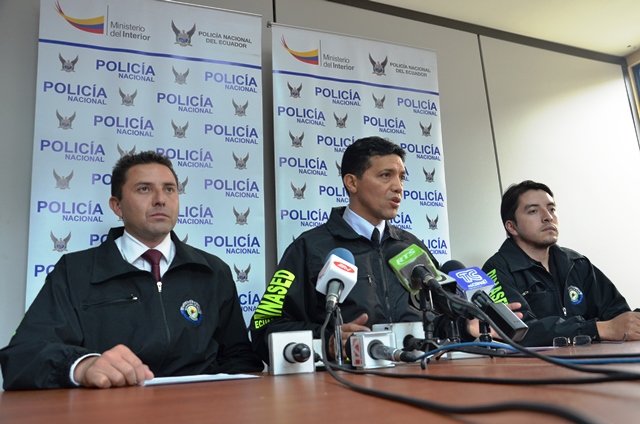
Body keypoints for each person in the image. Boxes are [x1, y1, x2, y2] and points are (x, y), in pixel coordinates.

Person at [0, 151, 263, 390]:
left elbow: (239, 358)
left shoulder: (213, 271)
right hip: (110, 410)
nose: (160, 200)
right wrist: (83, 366)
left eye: (169, 189)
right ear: (117, 205)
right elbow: (23, 356)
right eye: (144, 189)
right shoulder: (75, 272)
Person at [250, 136, 446, 364]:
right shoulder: (308, 248)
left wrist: (465, 325)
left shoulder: (411, 247)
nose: (398, 187)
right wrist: (327, 340)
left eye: (401, 177)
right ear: (352, 183)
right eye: (386, 175)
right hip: (344, 381)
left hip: (418, 373)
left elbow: (440, 318)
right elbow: (265, 327)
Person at [482, 180, 640, 346]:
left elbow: (616, 315)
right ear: (512, 227)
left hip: (591, 359)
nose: (548, 217)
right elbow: (519, 331)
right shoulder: (495, 271)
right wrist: (597, 329)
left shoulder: (576, 263)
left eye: (551, 209)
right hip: (533, 362)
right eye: (534, 211)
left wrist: (629, 323)